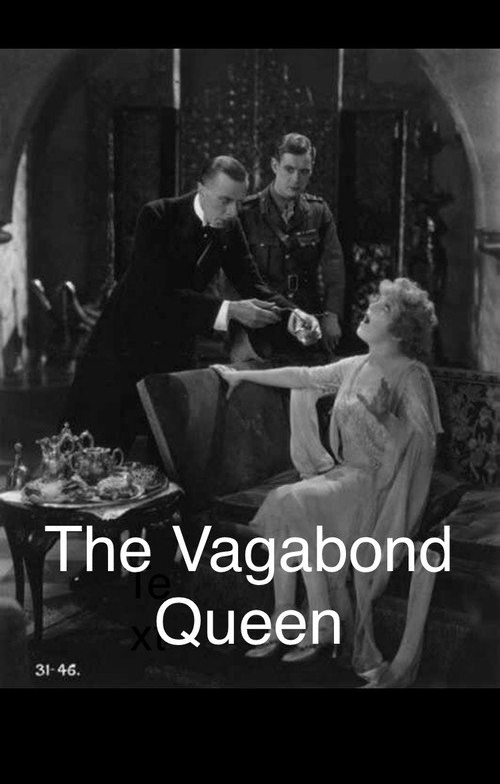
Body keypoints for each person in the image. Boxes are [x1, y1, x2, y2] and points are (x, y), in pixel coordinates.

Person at [213, 278, 443, 688]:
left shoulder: (412, 375)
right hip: (345, 476)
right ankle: (292, 620)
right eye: (374, 301)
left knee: (291, 501)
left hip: (379, 489)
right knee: (289, 506)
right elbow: (304, 376)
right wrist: (240, 377)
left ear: (400, 330)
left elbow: (421, 445)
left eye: (383, 307)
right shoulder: (356, 366)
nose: (370, 307)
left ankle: (309, 622)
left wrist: (385, 417)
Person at [62, 156, 321, 453]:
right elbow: (154, 295)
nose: (232, 212)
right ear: (201, 189)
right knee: (94, 452)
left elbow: (253, 284)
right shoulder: (157, 215)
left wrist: (294, 315)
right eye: (225, 201)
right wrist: (230, 310)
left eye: (238, 202)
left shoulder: (229, 224)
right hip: (122, 346)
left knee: (169, 454)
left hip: (173, 348)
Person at [238, 133, 345, 362]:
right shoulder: (247, 213)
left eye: (304, 171)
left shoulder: (318, 212)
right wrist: (239, 333)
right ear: (274, 166)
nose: (296, 179)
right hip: (260, 326)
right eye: (289, 169)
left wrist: (332, 314)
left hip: (307, 325)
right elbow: (232, 278)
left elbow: (334, 269)